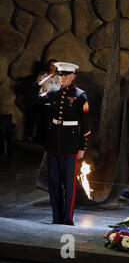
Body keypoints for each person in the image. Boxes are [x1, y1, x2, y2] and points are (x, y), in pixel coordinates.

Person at [31, 62, 90, 225]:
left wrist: (82, 147)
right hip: (53, 145)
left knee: (69, 186)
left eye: (65, 75)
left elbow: (86, 126)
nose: (61, 78)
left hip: (70, 146)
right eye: (60, 75)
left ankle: (67, 218)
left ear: (73, 76)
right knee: (54, 184)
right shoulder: (53, 92)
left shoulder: (80, 95)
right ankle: (56, 218)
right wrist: (39, 84)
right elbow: (33, 100)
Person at [35, 59, 60, 192]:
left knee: (54, 128)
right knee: (46, 127)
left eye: (55, 66)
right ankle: (46, 150)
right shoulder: (44, 76)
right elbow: (38, 87)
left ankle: (53, 147)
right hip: (46, 106)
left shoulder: (59, 78)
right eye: (51, 65)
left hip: (55, 106)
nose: (53, 68)